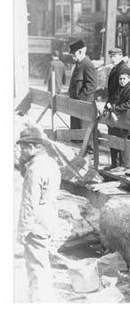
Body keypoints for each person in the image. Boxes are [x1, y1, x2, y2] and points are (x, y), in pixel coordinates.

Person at [16, 125, 61, 302]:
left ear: (35, 147)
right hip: (49, 218)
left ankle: (38, 304)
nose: (22, 151)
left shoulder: (34, 170)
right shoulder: (50, 162)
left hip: (36, 224)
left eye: (25, 148)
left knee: (36, 269)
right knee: (43, 265)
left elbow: (29, 204)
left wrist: (22, 231)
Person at [105, 68, 130, 176]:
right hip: (125, 122)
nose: (121, 81)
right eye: (120, 79)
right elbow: (113, 100)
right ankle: (129, 166)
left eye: (124, 78)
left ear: (129, 78)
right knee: (125, 143)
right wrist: (108, 107)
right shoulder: (120, 89)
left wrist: (115, 108)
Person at [103, 47, 130, 172]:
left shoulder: (123, 69)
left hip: (119, 108)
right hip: (112, 106)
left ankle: (122, 164)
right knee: (113, 134)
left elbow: (122, 90)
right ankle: (115, 163)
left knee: (120, 135)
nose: (112, 58)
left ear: (121, 56)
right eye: (111, 56)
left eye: (115, 56)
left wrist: (113, 106)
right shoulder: (115, 68)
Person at [67, 40, 97, 131]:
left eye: (73, 54)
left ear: (80, 52)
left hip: (84, 105)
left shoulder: (87, 65)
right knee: (76, 135)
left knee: (84, 135)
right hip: (76, 105)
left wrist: (80, 98)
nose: (72, 57)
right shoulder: (78, 64)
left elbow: (92, 85)